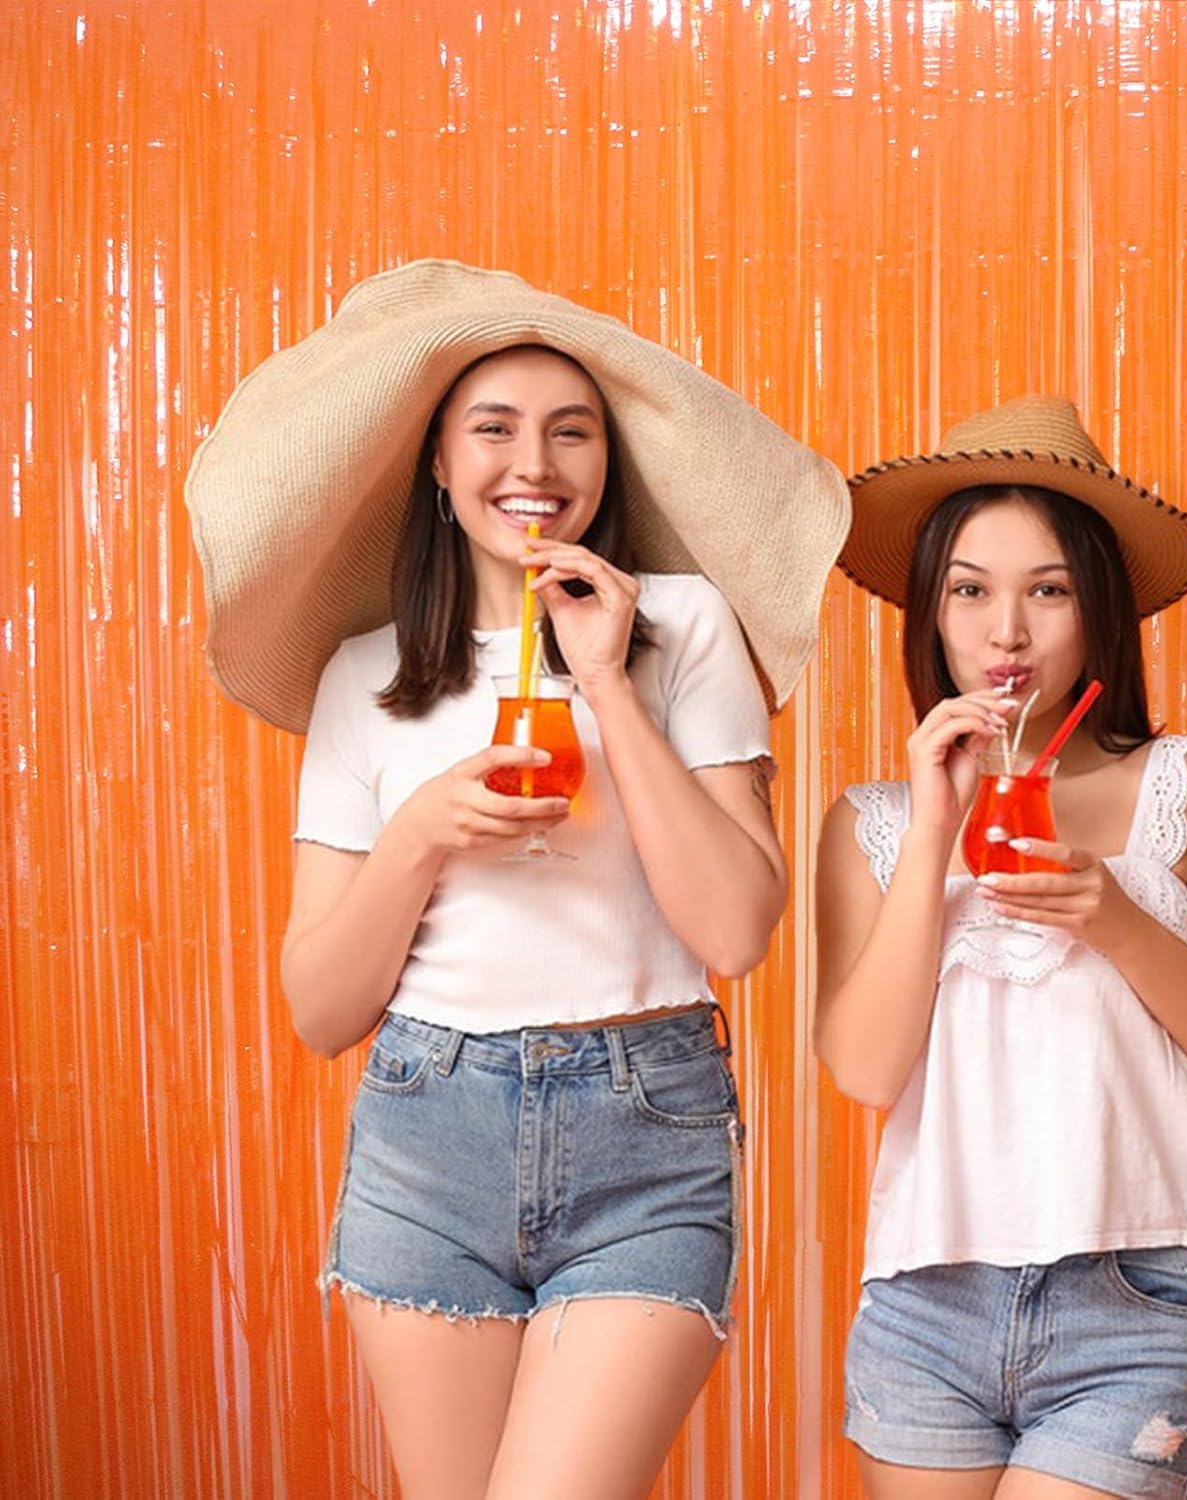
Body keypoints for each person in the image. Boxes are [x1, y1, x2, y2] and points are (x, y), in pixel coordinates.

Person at [184, 260, 849, 1499]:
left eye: (570, 431)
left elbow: (735, 929)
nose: (533, 463)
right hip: (425, 1138)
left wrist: (602, 679)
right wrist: (421, 835)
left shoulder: (683, 626)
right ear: (438, 466)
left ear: (607, 462)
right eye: (492, 429)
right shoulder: (364, 675)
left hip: (645, 1135)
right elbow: (321, 1010)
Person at [816, 396, 1187, 1500]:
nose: (1007, 632)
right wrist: (935, 830)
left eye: (1047, 590)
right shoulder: (872, 825)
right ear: (931, 613)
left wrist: (1118, 922)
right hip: (925, 1302)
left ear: (1097, 610)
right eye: (970, 590)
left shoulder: (1186, 787)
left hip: (1132, 1302)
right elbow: (864, 1070)